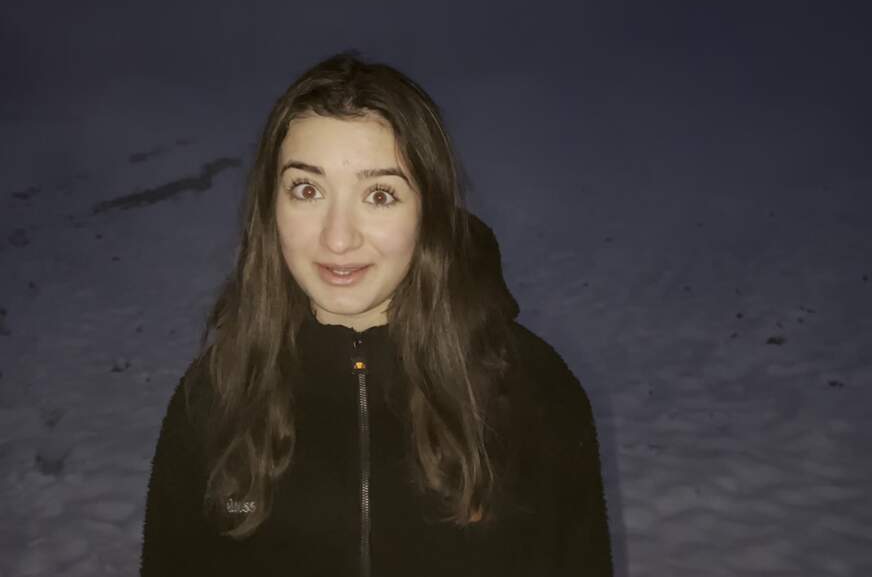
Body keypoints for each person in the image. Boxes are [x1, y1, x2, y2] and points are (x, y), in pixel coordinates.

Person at [139, 49, 613, 576]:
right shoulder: (214, 397)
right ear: (270, 208)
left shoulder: (535, 390)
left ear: (429, 212)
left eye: (380, 195)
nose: (338, 239)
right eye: (307, 189)